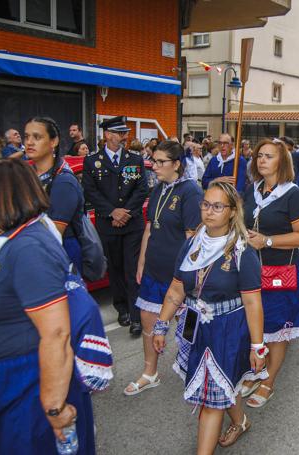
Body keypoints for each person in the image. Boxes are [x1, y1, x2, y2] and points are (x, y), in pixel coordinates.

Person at [0, 160, 95, 453]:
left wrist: (54, 408)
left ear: (4, 195)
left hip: (22, 386)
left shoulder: (29, 247)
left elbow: (56, 334)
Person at [152, 181, 267, 453]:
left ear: (232, 211)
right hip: (195, 326)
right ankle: (240, 422)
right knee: (219, 386)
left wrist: (257, 346)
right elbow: (177, 288)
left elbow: (253, 302)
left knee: (210, 399)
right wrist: (160, 325)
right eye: (205, 204)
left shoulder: (242, 250)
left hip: (228, 330)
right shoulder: (192, 243)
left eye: (217, 206)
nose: (209, 211)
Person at [124, 141, 202, 396]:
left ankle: (195, 370)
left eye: (160, 162)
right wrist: (142, 262)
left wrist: (187, 276)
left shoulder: (191, 191)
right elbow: (149, 227)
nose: (154, 166)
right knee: (148, 321)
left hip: (178, 275)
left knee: (187, 327)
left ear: (177, 164)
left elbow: (193, 238)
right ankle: (150, 372)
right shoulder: (158, 188)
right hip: (153, 270)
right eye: (153, 161)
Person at [240, 138, 299, 408]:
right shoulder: (252, 189)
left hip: (281, 271)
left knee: (277, 328)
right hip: (251, 270)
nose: (261, 160)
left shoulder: (293, 194)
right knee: (255, 325)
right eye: (259, 155)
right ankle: (256, 371)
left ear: (281, 162)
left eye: (268, 156)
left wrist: (267, 240)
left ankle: (268, 382)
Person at [82, 116, 149, 336]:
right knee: (116, 269)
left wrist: (125, 212)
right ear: (108, 135)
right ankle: (122, 309)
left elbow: (141, 190)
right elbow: (91, 191)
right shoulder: (92, 161)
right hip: (108, 223)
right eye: (120, 133)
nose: (124, 137)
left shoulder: (135, 159)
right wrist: (112, 212)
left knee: (132, 269)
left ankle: (136, 315)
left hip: (132, 223)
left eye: (125, 133)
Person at [24, 117, 85, 273]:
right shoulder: (28, 174)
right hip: (32, 250)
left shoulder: (63, 181)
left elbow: (54, 234)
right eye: (27, 136)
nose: (29, 142)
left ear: (54, 142)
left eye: (37, 137)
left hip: (58, 253)